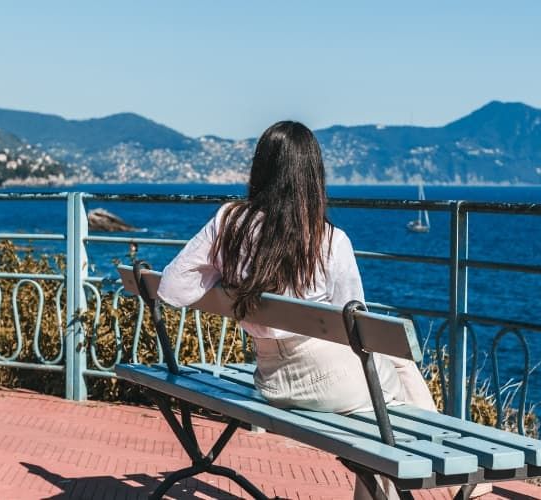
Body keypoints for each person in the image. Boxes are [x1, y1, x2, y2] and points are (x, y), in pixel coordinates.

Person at [155, 121, 467, 499]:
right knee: (395, 369)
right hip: (331, 383)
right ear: (312, 176)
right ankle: (460, 474)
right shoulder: (329, 238)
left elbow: (172, 287)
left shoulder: (229, 222)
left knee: (390, 383)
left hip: (272, 382)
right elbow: (354, 322)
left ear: (262, 168)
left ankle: (455, 474)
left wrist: (230, 284)